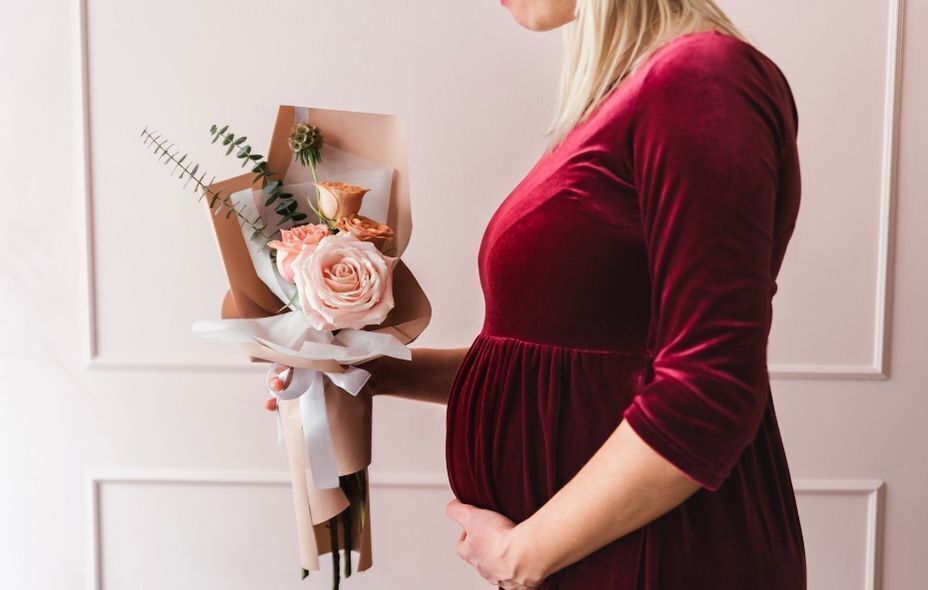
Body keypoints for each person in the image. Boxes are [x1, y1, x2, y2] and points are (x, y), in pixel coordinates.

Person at [271, 0, 806, 588]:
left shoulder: (702, 79)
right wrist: (368, 370)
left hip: (658, 555)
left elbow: (708, 393)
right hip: (601, 554)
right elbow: (565, 367)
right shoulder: (636, 91)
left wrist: (522, 554)